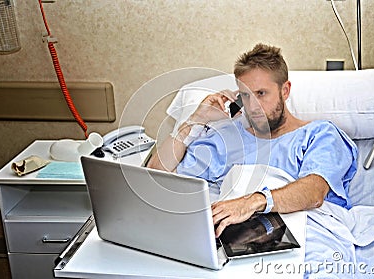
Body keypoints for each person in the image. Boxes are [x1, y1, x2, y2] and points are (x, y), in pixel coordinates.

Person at [147, 43, 357, 238]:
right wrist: (196, 119)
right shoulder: (227, 137)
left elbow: (313, 193)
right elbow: (157, 172)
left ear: (285, 91)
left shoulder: (320, 135)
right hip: (232, 239)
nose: (253, 106)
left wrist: (252, 202)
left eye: (261, 93)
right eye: (246, 96)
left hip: (303, 238)